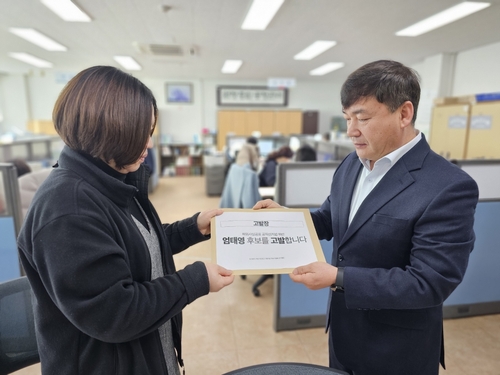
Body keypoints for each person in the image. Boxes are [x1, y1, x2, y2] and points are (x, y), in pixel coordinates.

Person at [253, 60, 478, 375]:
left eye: (363, 118)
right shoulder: (353, 163)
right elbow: (332, 219)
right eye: (347, 118)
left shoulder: (448, 186)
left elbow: (428, 282)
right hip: (345, 331)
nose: (351, 131)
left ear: (404, 113)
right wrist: (288, 219)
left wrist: (336, 277)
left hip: (397, 348)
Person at [17, 66, 234, 375]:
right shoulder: (68, 208)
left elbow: (136, 248)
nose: (148, 145)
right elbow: (116, 313)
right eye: (141, 134)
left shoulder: (110, 180)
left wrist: (193, 227)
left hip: (144, 352)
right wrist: (195, 280)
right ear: (111, 132)